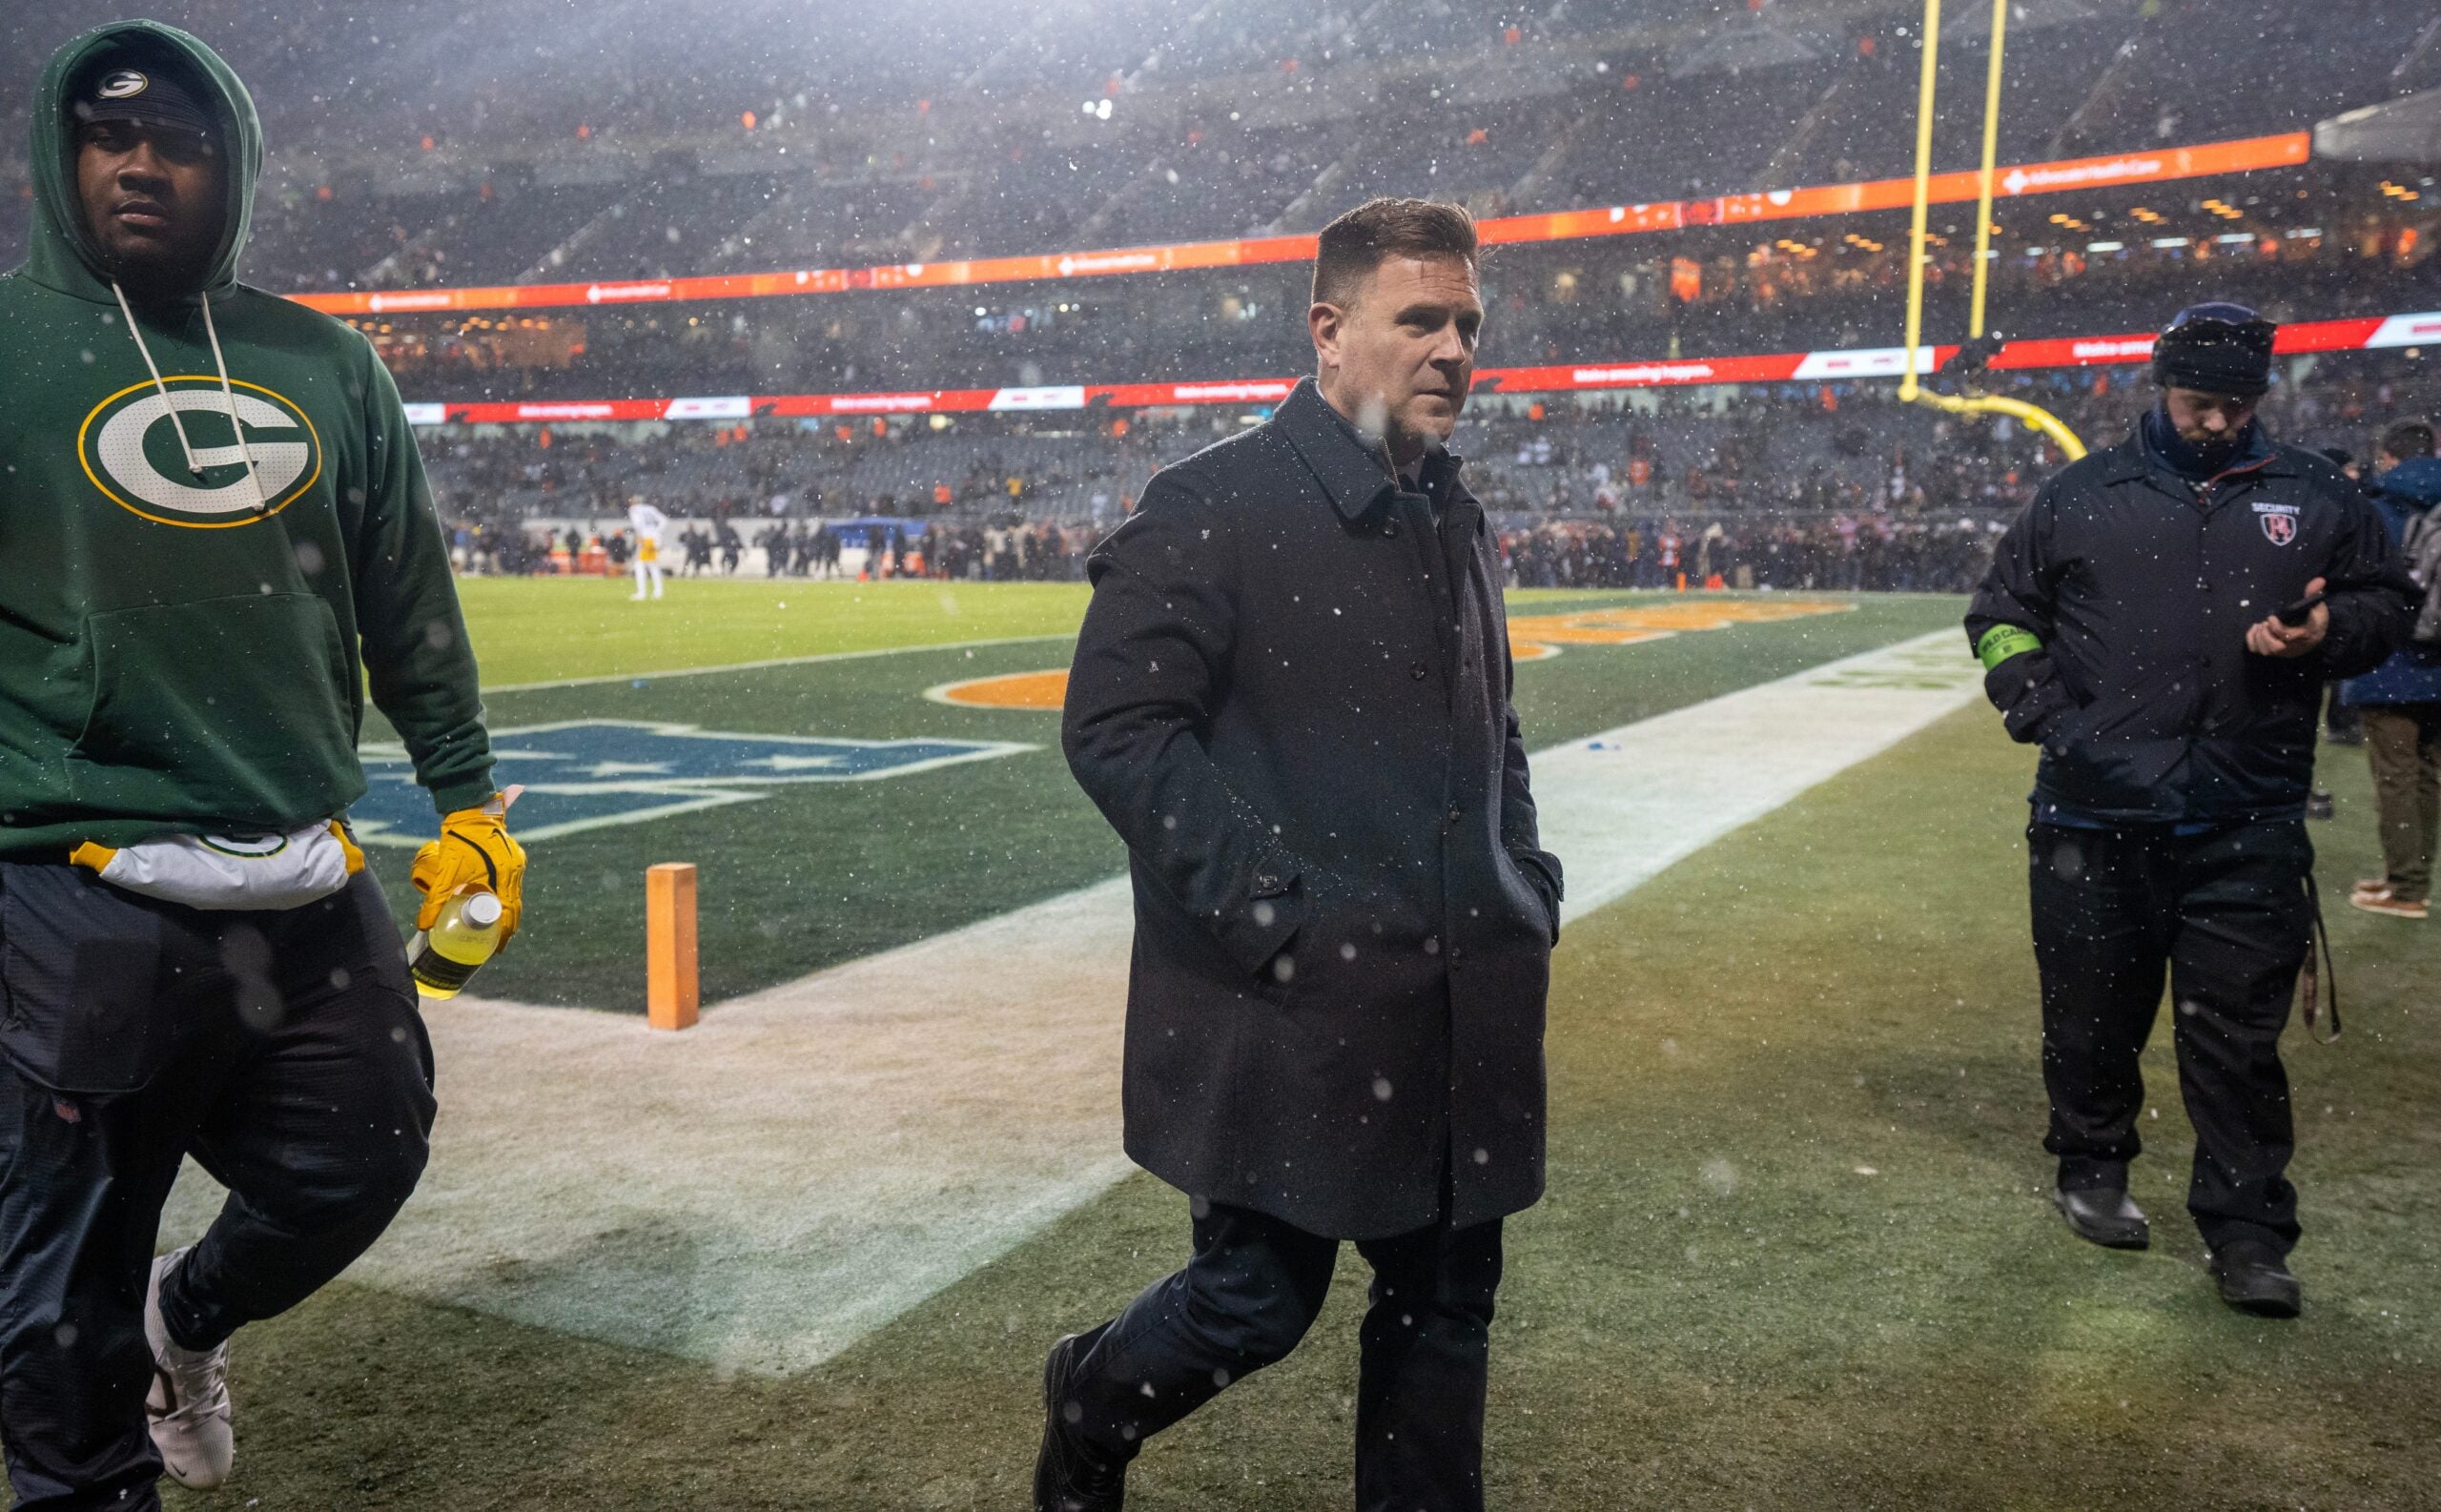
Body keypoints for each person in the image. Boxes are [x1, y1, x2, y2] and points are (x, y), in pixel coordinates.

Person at [0, 23, 529, 1507]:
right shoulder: (4, 351)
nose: (141, 167)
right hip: (74, 873)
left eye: (178, 141)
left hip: (299, 862)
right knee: (58, 1285)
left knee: (362, 1151)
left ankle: (188, 1321)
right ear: (63, 157)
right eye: (111, 140)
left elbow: (408, 601)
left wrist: (470, 796)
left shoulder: (328, 364)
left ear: (229, 165)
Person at [1045, 198, 1561, 1512]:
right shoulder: (1212, 503)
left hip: (1457, 990)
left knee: (1448, 1304)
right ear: (1329, 332)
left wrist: (1524, 878)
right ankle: (1091, 1403)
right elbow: (1116, 725)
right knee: (1255, 1300)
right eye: (1419, 320)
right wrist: (1273, 911)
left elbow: (1492, 726)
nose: (1453, 349)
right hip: (1297, 995)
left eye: (1467, 324)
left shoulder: (1459, 513)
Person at [1965, 302, 2417, 1318]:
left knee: (2236, 1038)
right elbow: (1998, 614)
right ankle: (2090, 1163)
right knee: (2089, 1019)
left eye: (2235, 404)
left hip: (2245, 813)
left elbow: (2387, 604)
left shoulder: (2317, 493)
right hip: (2091, 811)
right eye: (2197, 401)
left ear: (2263, 397)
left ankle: (2249, 1227)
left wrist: (2327, 630)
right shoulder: (2077, 492)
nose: (2215, 421)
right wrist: (2042, 713)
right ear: (2160, 389)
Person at [2339, 420, 2441, 920]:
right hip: (2439, 660)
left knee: (2395, 775)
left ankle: (2406, 887)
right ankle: (2412, 877)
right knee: (2426, 774)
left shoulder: (2377, 508)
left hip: (2390, 662)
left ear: (2388, 456)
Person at [626, 493, 667, 599]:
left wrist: (640, 538)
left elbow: (638, 524)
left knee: (640, 565)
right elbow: (664, 520)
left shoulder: (634, 510)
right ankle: (658, 592)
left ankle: (642, 593)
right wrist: (657, 533)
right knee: (653, 565)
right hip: (654, 538)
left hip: (645, 538)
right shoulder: (650, 508)